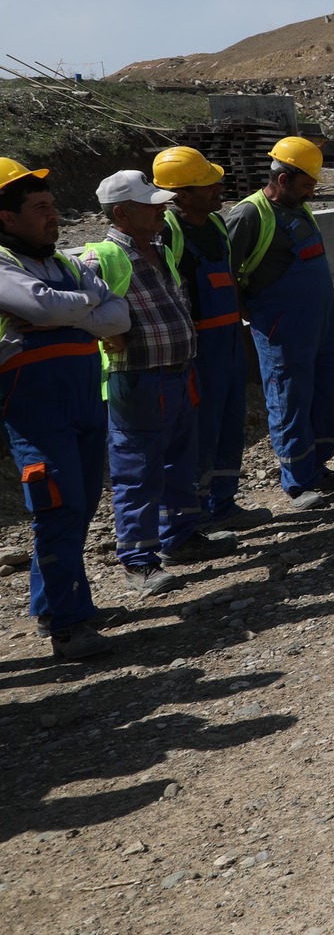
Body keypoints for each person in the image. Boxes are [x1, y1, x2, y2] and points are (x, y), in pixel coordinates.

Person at [0, 158, 129, 659]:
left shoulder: (64, 265)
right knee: (59, 507)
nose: (54, 216)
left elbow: (119, 315)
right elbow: (42, 307)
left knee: (82, 505)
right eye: (40, 208)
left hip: (82, 402)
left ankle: (54, 606)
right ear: (7, 218)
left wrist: (67, 309)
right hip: (36, 412)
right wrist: (83, 305)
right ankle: (68, 626)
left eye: (53, 205)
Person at [81, 171, 202, 598]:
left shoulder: (159, 247)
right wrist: (108, 334)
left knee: (179, 460)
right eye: (151, 206)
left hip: (177, 372)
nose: (161, 211)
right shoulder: (102, 257)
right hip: (137, 379)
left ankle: (179, 537)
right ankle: (138, 560)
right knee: (138, 470)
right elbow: (80, 313)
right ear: (122, 213)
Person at [226, 137, 334, 511]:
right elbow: (224, 274)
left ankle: (317, 466)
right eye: (306, 184)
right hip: (282, 327)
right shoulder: (249, 215)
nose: (311, 192)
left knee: (327, 394)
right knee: (289, 399)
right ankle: (297, 480)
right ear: (283, 179)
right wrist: (246, 310)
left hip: (322, 323)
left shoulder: (298, 208)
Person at [155, 145, 266, 531]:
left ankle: (223, 504)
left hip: (229, 339)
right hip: (198, 348)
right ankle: (195, 514)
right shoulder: (168, 232)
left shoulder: (217, 224)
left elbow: (230, 276)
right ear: (181, 194)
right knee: (198, 429)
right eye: (207, 184)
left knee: (230, 422)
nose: (218, 188)